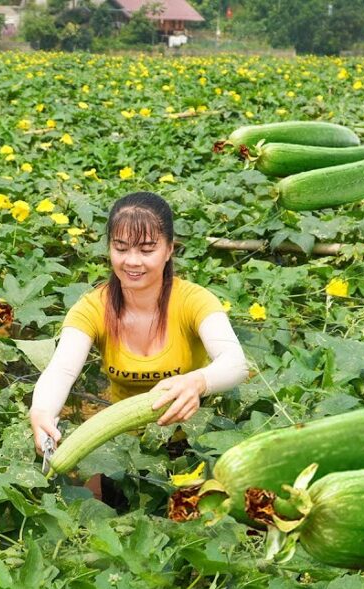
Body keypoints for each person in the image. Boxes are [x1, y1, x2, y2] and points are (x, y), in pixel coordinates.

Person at [28, 191, 249, 500]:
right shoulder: (93, 307)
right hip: (120, 445)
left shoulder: (193, 300)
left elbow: (236, 363)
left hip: (191, 443)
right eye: (120, 248)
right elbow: (61, 370)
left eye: (147, 249)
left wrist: (197, 381)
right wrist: (42, 411)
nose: (132, 261)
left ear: (169, 249)